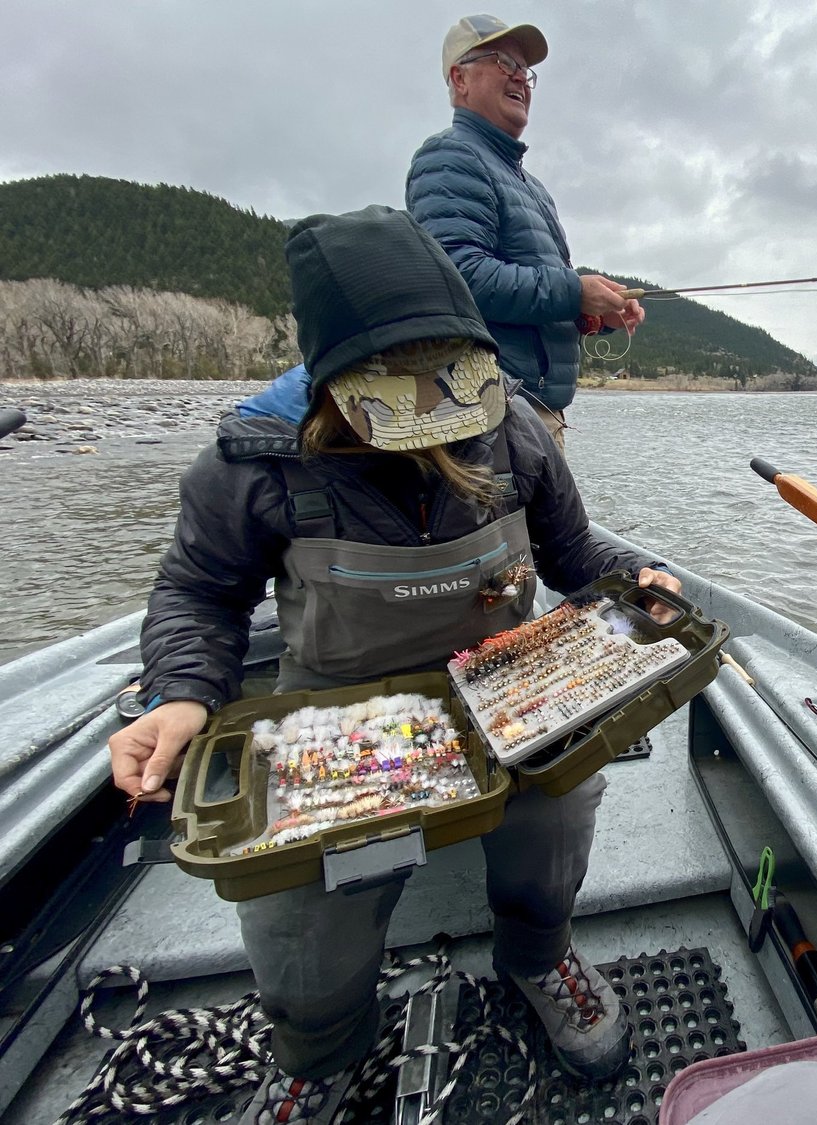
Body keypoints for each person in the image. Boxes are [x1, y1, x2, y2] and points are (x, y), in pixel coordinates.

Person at [106, 205, 681, 1125]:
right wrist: (181, 696)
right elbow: (198, 594)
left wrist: (634, 574)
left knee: (563, 796)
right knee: (303, 888)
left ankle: (538, 955)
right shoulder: (250, 465)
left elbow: (575, 554)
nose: (431, 407)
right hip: (340, 710)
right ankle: (320, 1045)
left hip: (508, 685)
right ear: (334, 381)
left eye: (447, 374)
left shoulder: (519, 430)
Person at [406, 14, 644, 452]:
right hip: (492, 418)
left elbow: (538, 298)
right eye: (502, 61)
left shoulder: (532, 188)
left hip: (532, 415)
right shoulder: (450, 157)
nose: (520, 77)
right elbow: (458, 278)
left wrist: (593, 316)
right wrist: (574, 291)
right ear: (460, 78)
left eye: (525, 70)